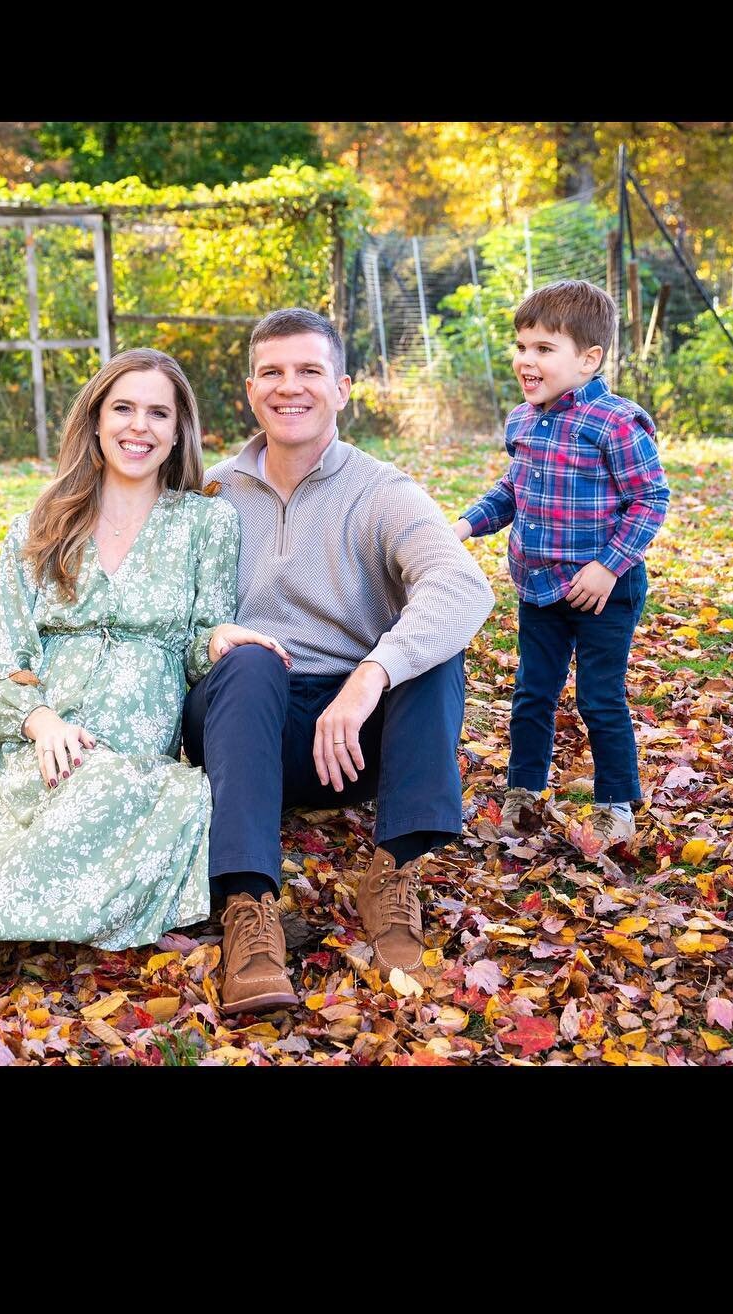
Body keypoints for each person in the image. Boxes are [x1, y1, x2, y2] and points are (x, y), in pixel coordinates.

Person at [0, 349, 287, 1060]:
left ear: (179, 432)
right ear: (95, 419)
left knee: (179, 797)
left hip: (132, 759)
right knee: (88, 777)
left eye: (158, 413)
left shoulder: (205, 524)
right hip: (34, 745)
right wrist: (39, 718)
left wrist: (218, 640)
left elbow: (194, 641)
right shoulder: (43, 522)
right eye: (123, 408)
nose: (138, 426)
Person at [182, 308, 496, 1014]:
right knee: (252, 659)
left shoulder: (381, 490)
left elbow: (460, 586)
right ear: (250, 387)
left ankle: (393, 872)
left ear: (343, 387)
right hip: (244, 721)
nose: (289, 387)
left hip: (353, 742)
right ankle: (249, 911)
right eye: (272, 372)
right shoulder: (212, 492)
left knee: (432, 654)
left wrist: (370, 675)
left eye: (309, 371)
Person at [454, 279, 670, 852]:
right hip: (539, 586)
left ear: (589, 359)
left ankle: (615, 803)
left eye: (545, 349)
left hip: (604, 590)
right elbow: (511, 492)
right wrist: (464, 525)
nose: (527, 360)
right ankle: (524, 792)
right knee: (532, 692)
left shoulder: (616, 422)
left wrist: (609, 565)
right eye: (522, 346)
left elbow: (651, 499)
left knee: (600, 696)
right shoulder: (523, 421)